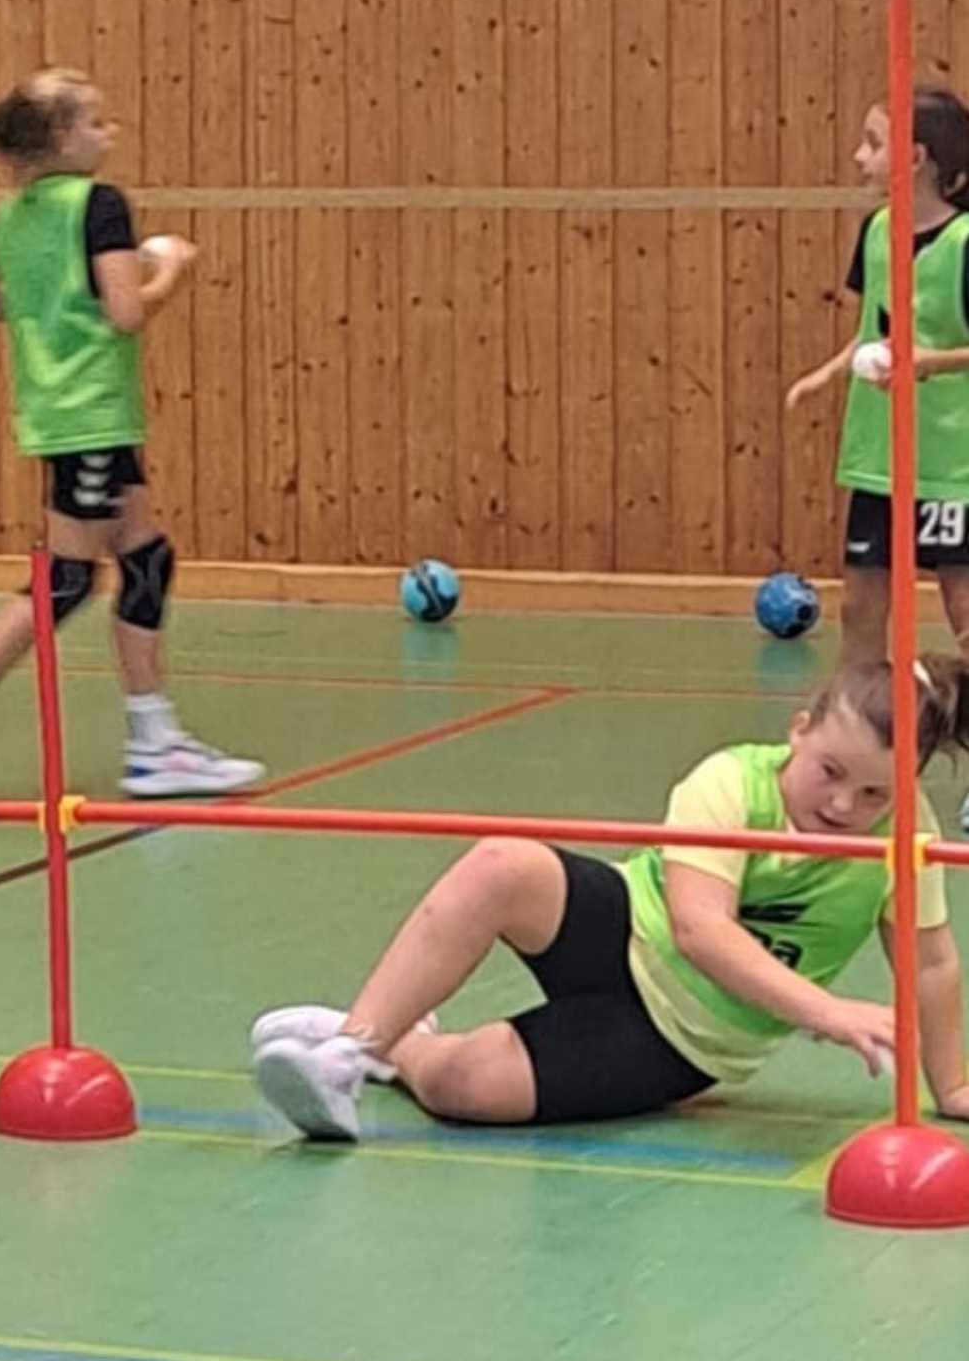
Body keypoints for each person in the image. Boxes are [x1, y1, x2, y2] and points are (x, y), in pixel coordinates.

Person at [250, 659, 969, 1139]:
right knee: (501, 862)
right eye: (830, 772)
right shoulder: (728, 782)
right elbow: (699, 928)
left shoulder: (907, 837)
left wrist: (954, 1086)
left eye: (875, 793)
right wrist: (827, 1010)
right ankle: (348, 1052)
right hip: (624, 930)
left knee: (463, 1086)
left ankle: (403, 1045)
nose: (843, 805)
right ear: (799, 730)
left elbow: (932, 962)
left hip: (678, 1039)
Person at [0, 69, 263, 805]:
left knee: (146, 560)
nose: (109, 133)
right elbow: (126, 312)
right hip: (87, 411)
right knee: (68, 578)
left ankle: (155, 741)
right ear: (61, 137)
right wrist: (173, 269)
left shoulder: (10, 216)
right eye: (95, 122)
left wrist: (43, 310)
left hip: (70, 415)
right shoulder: (99, 205)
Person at [785, 87, 969, 665]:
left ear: (914, 157)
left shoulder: (964, 243)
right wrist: (828, 371)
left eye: (873, 142)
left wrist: (928, 363)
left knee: (962, 604)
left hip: (951, 464)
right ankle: (862, 715)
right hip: (881, 456)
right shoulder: (876, 231)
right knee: (861, 604)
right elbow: (875, 327)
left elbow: (927, 347)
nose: (860, 156)